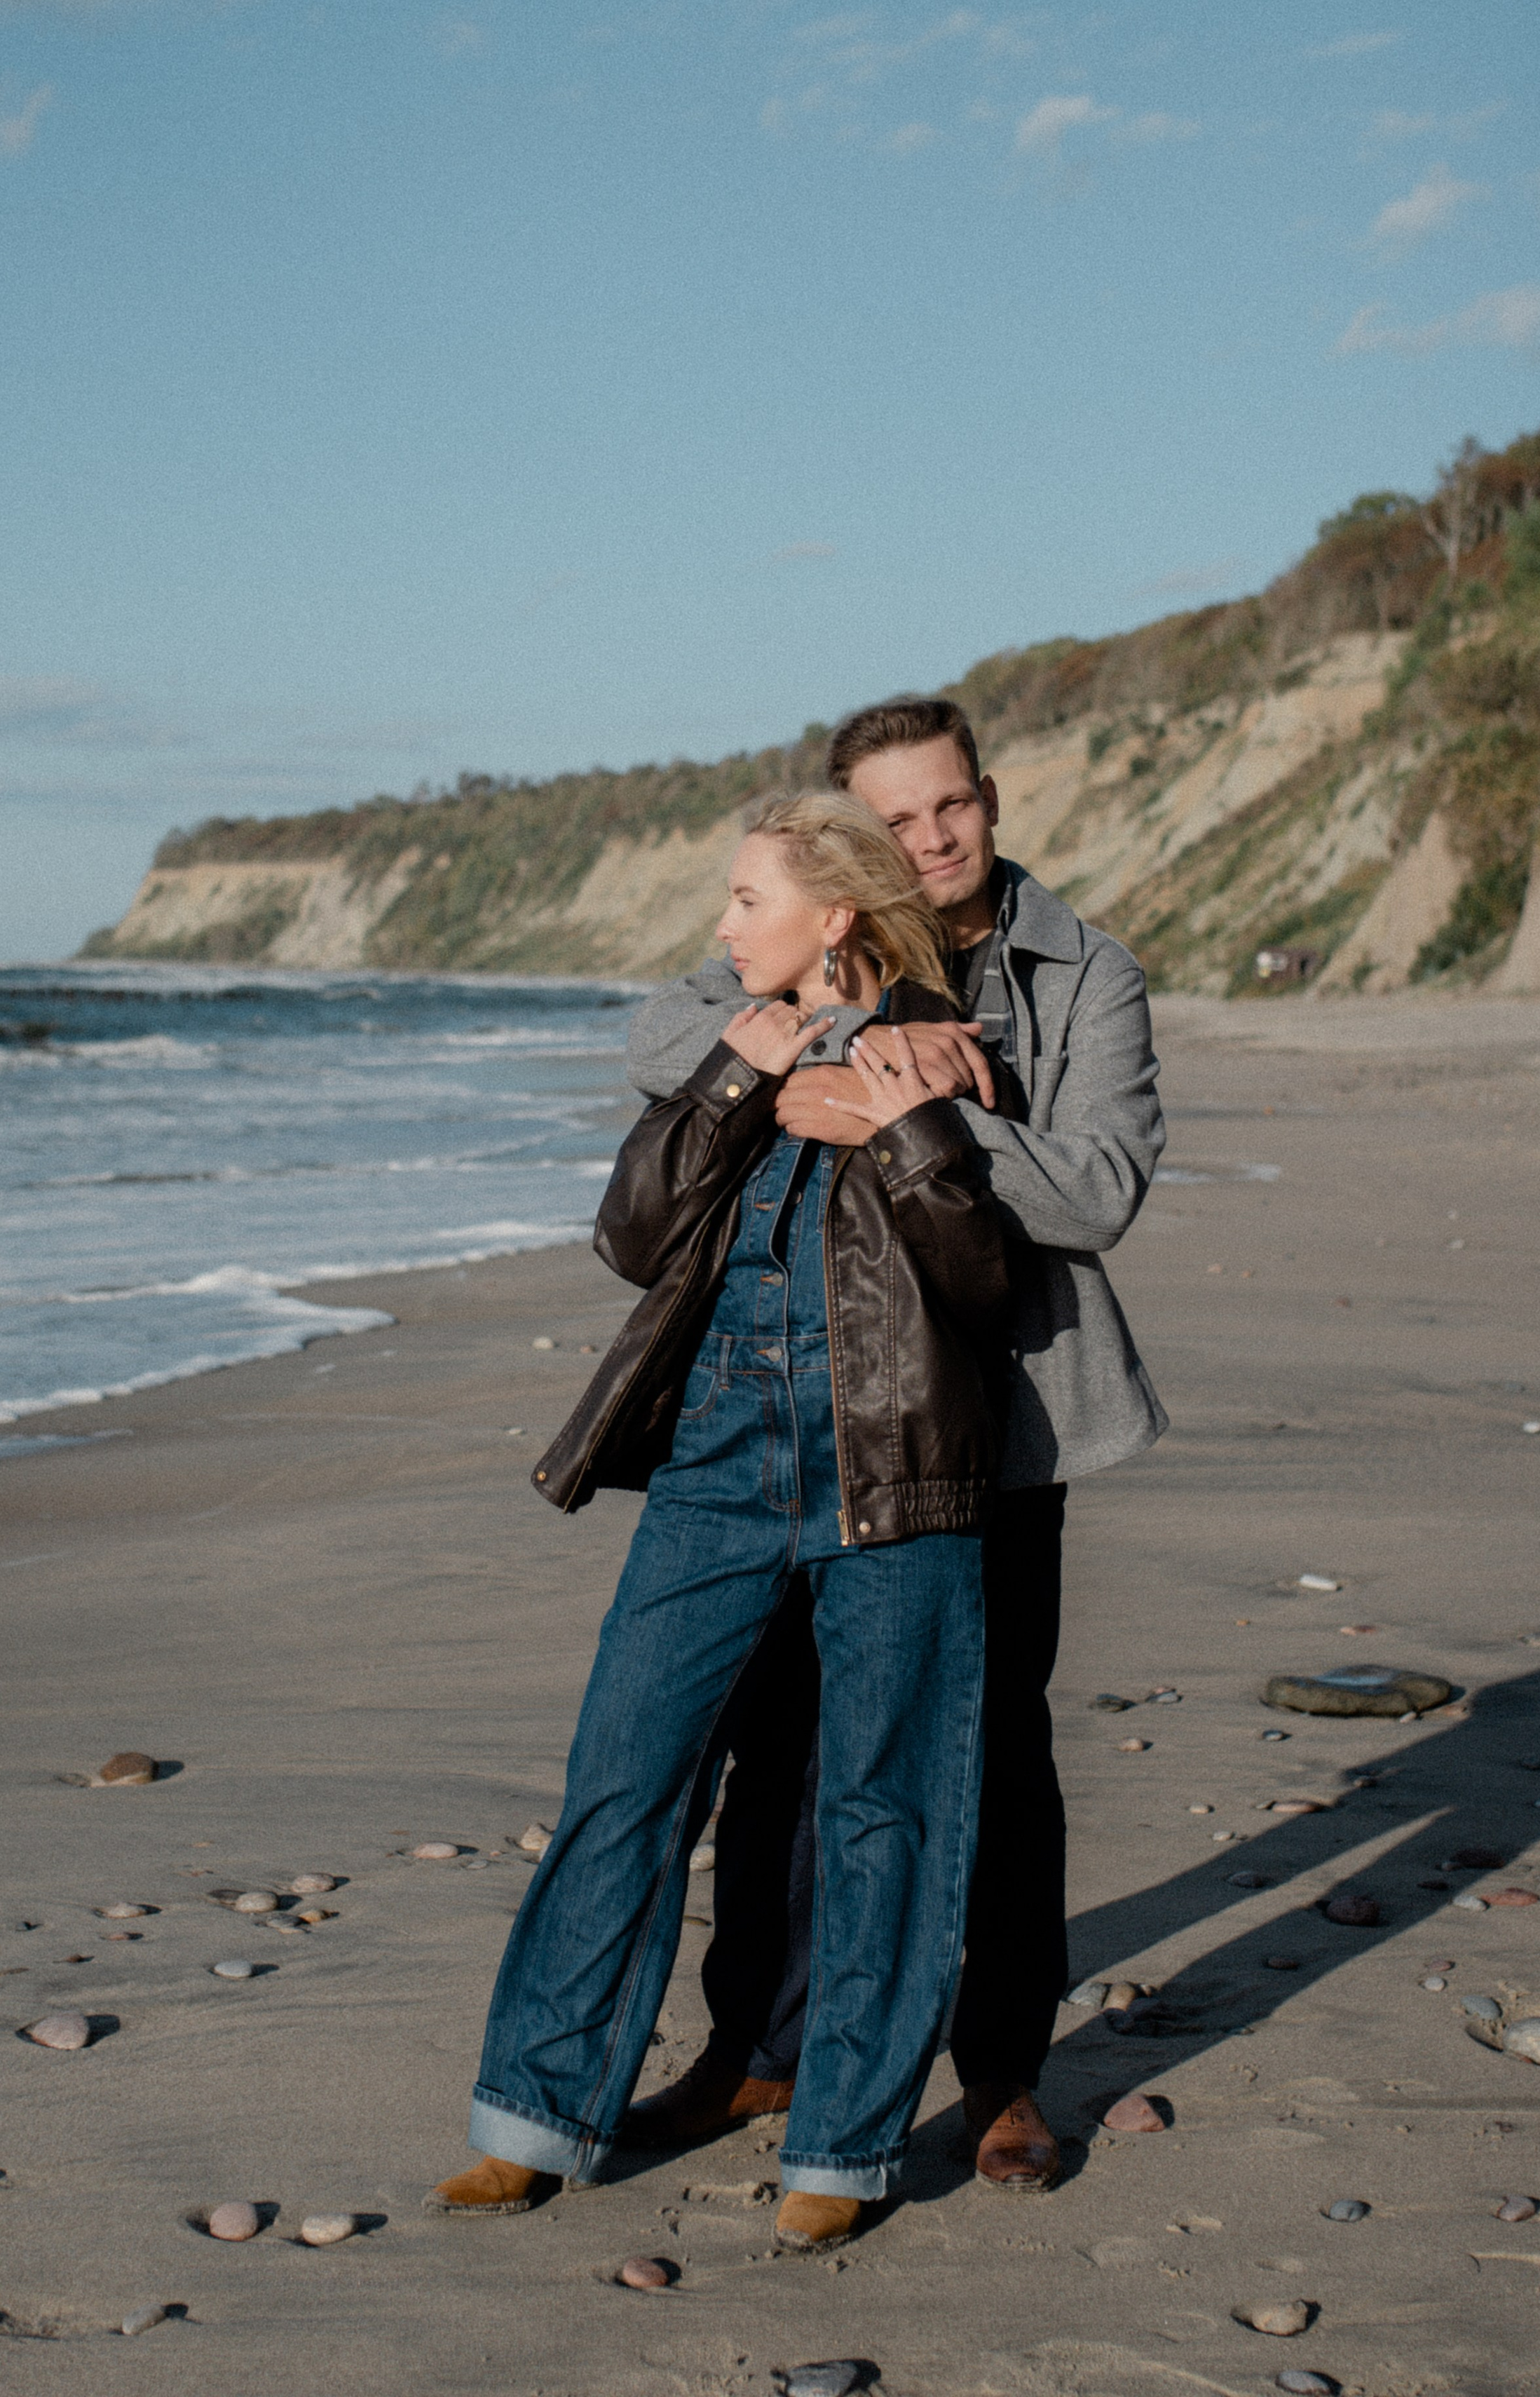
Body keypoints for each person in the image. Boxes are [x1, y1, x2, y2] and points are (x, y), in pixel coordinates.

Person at [426, 793, 1013, 2251]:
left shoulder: (941, 1049)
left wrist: (901, 1125)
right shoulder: (731, 1044)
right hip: (716, 1465)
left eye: (745, 901)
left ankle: (844, 2145)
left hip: (895, 1474)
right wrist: (720, 1089)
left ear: (832, 920)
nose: (719, 926)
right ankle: (531, 2119)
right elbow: (629, 1239)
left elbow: (984, 1279)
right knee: (624, 1775)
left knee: (886, 1805)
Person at [621, 693, 1167, 2192]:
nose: (930, 841)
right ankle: (761, 2052)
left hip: (1004, 1418)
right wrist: (828, 1044)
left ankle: (998, 2076)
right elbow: (663, 1029)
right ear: (848, 842)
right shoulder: (824, 944)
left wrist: (923, 1114)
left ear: (988, 799)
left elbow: (1097, 1190)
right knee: (782, 1739)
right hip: (811, 1412)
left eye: (951, 808)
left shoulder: (1078, 970)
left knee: (990, 1745)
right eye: (895, 820)